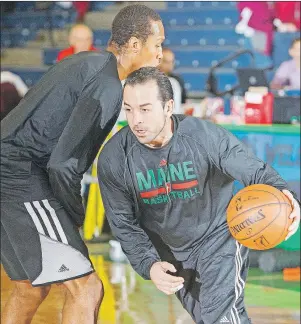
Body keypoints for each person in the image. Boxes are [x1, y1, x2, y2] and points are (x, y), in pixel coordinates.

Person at [0, 5, 164, 324]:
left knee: (29, 289)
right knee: (86, 288)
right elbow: (64, 166)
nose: (160, 53)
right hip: (20, 175)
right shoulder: (107, 86)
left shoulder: (85, 62)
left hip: (9, 168)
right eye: (157, 44)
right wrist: (73, 216)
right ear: (133, 45)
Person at [97, 67, 300, 324]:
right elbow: (123, 224)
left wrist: (287, 197)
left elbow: (255, 171)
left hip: (218, 238)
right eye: (129, 109)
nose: (135, 119)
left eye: (145, 109)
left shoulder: (204, 137)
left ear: (168, 107)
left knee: (221, 317)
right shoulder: (114, 158)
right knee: (212, 318)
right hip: (172, 251)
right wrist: (148, 264)